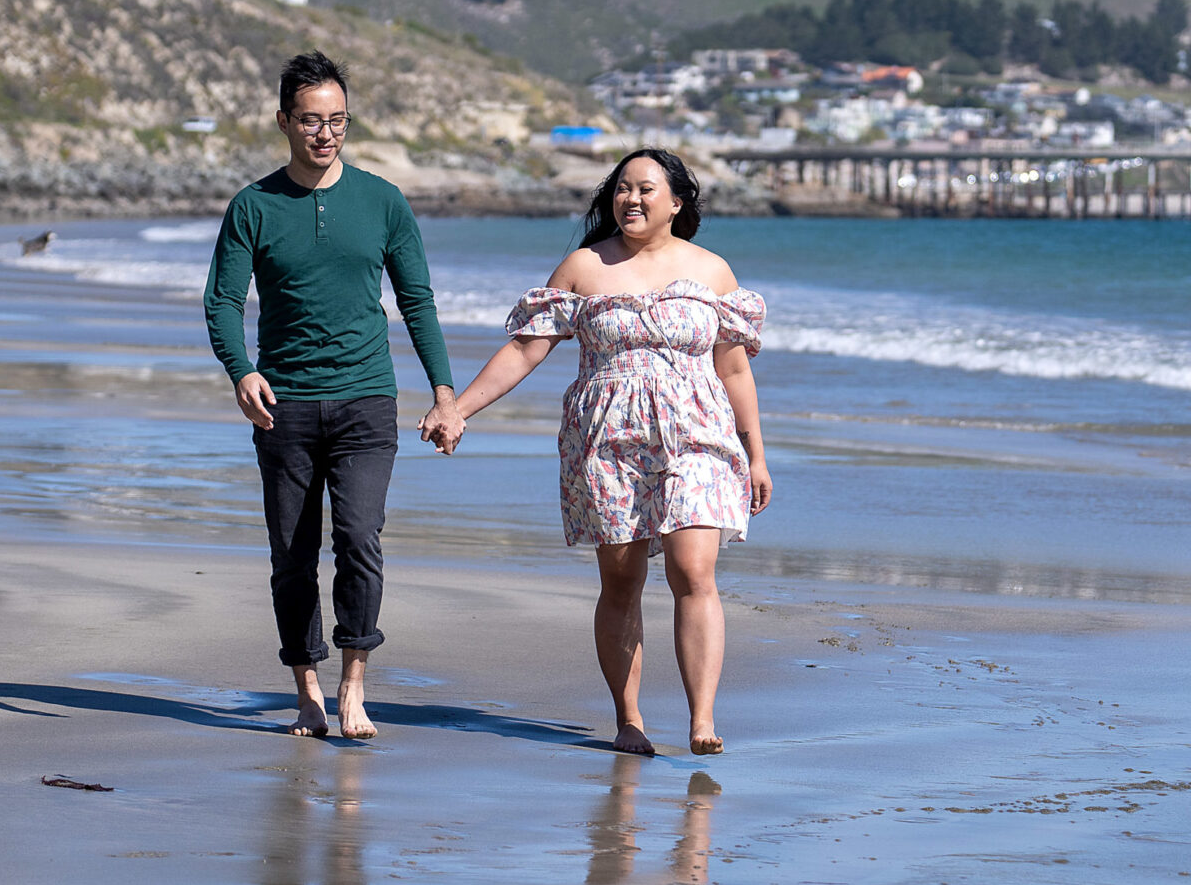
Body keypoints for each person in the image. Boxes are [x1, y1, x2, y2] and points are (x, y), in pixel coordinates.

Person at [451, 148, 771, 756]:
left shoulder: (713, 273)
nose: (631, 199)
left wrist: (755, 454)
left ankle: (702, 720)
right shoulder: (584, 266)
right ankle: (630, 720)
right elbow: (525, 350)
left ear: (677, 203)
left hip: (696, 437)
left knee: (693, 569)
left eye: (646, 189)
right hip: (607, 443)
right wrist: (458, 409)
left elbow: (733, 371)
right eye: (622, 188)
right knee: (621, 580)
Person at [204, 50, 465, 739]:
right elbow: (223, 302)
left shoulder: (382, 201)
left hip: (365, 401)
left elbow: (417, 301)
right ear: (284, 121)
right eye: (312, 121)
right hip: (282, 403)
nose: (326, 134)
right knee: (292, 554)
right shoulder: (253, 206)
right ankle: (307, 690)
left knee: (358, 538)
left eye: (338, 121)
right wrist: (241, 371)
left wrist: (445, 394)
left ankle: (354, 684)